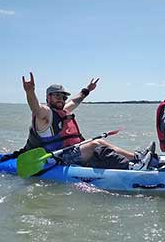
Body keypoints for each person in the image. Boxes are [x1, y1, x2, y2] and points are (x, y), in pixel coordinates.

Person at [20, 72, 154, 170]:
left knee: (99, 142)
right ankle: (131, 168)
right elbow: (35, 108)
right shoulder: (45, 115)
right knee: (94, 145)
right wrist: (30, 92)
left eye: (62, 96)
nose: (61, 99)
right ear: (48, 97)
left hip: (71, 150)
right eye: (56, 96)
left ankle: (136, 157)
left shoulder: (62, 110)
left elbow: (75, 100)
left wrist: (87, 90)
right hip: (57, 157)